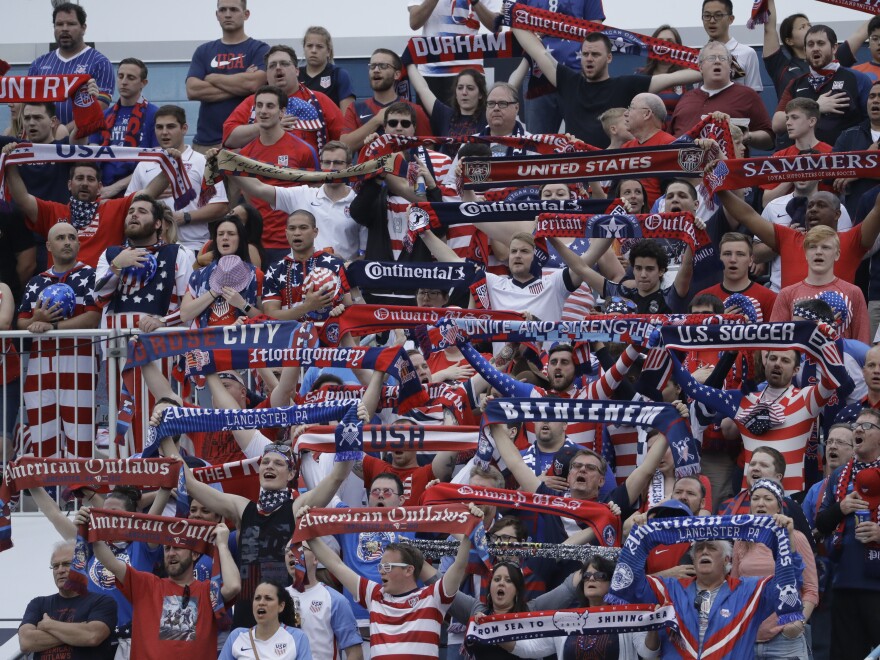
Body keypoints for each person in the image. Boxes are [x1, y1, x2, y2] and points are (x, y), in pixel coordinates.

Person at [306, 506, 481, 660]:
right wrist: (307, 530)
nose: (381, 570)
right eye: (381, 566)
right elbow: (335, 565)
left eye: (388, 566)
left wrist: (469, 527)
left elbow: (458, 566)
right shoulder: (374, 596)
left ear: (409, 570)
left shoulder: (432, 596)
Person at [78, 506, 240, 659]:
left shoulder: (207, 591)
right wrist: (90, 529)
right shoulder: (146, 584)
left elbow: (233, 586)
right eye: (167, 549)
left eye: (177, 548)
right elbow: (111, 563)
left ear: (195, 555)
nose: (171, 553)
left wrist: (222, 545)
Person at [512, 29, 701, 148]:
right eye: (585, 54)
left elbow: (671, 78)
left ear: (609, 58)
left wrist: (715, 68)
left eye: (595, 54)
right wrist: (514, 17)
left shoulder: (626, 85)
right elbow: (538, 51)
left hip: (614, 170)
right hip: (579, 170)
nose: (589, 58)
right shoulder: (569, 81)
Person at [637, 530, 801, 657]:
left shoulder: (749, 591)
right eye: (699, 549)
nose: (704, 552)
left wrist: (786, 543)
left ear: (727, 560)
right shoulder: (670, 589)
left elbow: (788, 584)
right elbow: (629, 584)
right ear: (693, 560)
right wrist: (638, 538)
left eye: (712, 548)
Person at [0, 150, 172, 269]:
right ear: (69, 184)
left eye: (90, 179)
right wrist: (10, 163)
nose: (84, 183)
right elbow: (22, 199)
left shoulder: (114, 208)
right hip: (59, 289)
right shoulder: (53, 211)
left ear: (99, 188)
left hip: (99, 290)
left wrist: (170, 165)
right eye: (79, 178)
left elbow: (149, 193)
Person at [16, 222, 100, 458]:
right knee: (43, 443)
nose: (67, 242)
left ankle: (81, 496)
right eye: (61, 238)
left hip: (79, 365)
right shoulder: (36, 282)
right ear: (49, 245)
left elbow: (93, 316)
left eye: (72, 237)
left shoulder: (91, 275)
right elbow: (21, 322)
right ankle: (49, 494)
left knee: (80, 442)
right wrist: (37, 318)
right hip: (40, 369)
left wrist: (51, 326)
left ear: (79, 243)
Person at [715, 184, 880, 292]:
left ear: (838, 214)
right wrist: (719, 187)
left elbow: (877, 209)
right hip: (794, 334)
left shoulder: (852, 241)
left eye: (821, 205)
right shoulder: (788, 237)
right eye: (810, 206)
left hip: (838, 336)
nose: (813, 210)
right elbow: (747, 215)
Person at [230, 85, 322, 263]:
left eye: (270, 106)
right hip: (256, 243)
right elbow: (243, 195)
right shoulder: (244, 155)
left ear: (282, 112)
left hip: (292, 242)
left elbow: (316, 195)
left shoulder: (303, 150)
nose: (263, 111)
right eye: (259, 105)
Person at [816, 408, 880, 659]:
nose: (858, 430)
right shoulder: (839, 476)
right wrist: (840, 508)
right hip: (844, 582)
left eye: (867, 426)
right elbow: (820, 524)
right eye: (856, 425)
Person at [231, 140, 364, 260]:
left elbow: (365, 255)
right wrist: (227, 164)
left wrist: (345, 263)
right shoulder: (303, 194)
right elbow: (258, 188)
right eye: (327, 162)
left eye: (338, 163)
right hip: (303, 279)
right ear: (321, 164)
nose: (331, 168)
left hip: (344, 280)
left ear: (349, 167)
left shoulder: (360, 203)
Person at [505, 557, 659, 659]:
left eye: (600, 575)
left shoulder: (628, 617)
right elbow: (529, 648)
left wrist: (653, 628)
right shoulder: (565, 619)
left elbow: (649, 653)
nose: (591, 578)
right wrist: (489, 632)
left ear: (613, 583)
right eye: (587, 576)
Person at [732, 478, 816, 657]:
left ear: (779, 506)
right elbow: (734, 587)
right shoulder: (741, 541)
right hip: (747, 638)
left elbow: (810, 590)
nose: (760, 503)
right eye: (755, 498)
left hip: (785, 640)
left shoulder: (796, 537)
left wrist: (796, 624)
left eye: (767, 499)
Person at [127, 105, 228, 254]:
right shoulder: (144, 163)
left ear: (184, 128)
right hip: (148, 248)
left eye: (171, 126)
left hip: (192, 246)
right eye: (159, 127)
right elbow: (126, 205)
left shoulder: (202, 162)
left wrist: (183, 217)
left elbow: (220, 206)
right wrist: (150, 194)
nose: (164, 132)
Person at [94, 193, 193, 333]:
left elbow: (190, 305)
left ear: (157, 223)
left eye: (142, 211)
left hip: (160, 347)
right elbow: (99, 299)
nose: (134, 215)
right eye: (131, 211)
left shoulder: (177, 254)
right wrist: (116, 267)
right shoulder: (110, 254)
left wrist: (163, 321)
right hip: (116, 347)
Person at [222, 44, 344, 155]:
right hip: (260, 176)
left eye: (284, 64)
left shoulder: (319, 100)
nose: (278, 68)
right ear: (267, 74)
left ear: (297, 71)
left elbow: (344, 142)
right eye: (272, 65)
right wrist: (269, 126)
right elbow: (229, 139)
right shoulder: (253, 102)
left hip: (308, 175)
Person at [186, 0, 269, 153]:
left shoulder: (259, 49)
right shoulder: (203, 51)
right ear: (217, 15)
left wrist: (212, 78)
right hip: (206, 143)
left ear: (246, 14)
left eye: (234, 9)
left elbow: (254, 84)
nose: (228, 14)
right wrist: (241, 82)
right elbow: (193, 90)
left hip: (246, 142)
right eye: (223, 10)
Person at [773, 24, 871, 146]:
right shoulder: (796, 83)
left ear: (834, 48)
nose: (815, 48)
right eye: (810, 44)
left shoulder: (857, 78)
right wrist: (816, 107)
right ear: (805, 50)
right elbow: (777, 125)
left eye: (821, 43)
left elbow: (873, 119)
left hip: (845, 159)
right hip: (805, 159)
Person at [770, 225, 870, 343]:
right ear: (806, 254)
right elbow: (775, 341)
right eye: (813, 247)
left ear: (837, 254)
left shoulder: (853, 292)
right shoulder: (786, 294)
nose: (818, 252)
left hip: (841, 359)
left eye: (825, 247)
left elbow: (863, 342)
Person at [18, 541, 117, 660]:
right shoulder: (38, 603)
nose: (60, 570)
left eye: (66, 564)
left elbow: (92, 636)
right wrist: (78, 631)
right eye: (55, 566)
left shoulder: (102, 602)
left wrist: (49, 625)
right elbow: (26, 642)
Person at [669, 41, 773, 149]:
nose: (717, 61)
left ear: (730, 66)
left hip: (725, 165)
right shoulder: (686, 98)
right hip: (683, 163)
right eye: (711, 58)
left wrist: (747, 136)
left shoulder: (747, 95)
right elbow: (671, 137)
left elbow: (769, 140)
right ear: (700, 67)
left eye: (722, 58)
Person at [27, 3, 113, 131]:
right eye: (59, 24)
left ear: (83, 28)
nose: (64, 29)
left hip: (85, 142)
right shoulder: (38, 64)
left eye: (71, 24)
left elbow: (102, 105)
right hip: (44, 142)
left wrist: (65, 131)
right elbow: (28, 104)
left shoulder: (100, 62)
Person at [261, 209, 350, 321]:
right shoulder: (275, 270)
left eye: (303, 228)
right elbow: (270, 316)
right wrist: (307, 307)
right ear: (286, 233)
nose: (297, 233)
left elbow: (349, 307)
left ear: (315, 232)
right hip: (291, 337)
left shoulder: (334, 264)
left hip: (328, 334)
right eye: (292, 228)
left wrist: (341, 309)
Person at [407, 0, 500, 102]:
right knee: (432, 117)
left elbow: (497, 26)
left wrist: (475, 2)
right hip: (432, 70)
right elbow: (414, 22)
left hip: (469, 68)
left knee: (470, 117)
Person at [340, 48, 432, 152]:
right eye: (372, 66)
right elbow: (344, 147)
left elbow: (428, 148)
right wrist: (376, 121)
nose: (376, 70)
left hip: (405, 167)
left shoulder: (414, 109)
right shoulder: (355, 108)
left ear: (397, 74)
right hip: (368, 167)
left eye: (383, 66)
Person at [179, 215, 262, 328]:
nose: (225, 238)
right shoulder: (198, 275)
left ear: (240, 239)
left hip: (240, 341)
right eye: (220, 234)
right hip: (205, 342)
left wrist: (243, 305)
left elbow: (265, 317)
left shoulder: (256, 275)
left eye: (231, 234)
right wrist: (214, 292)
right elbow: (184, 315)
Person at [91, 58, 159, 196]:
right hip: (102, 188)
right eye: (120, 76)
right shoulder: (103, 115)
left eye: (131, 77)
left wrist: (116, 187)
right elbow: (91, 154)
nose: (124, 82)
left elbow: (155, 162)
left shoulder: (154, 114)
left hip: (137, 191)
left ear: (143, 83)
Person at [284, 543, 363, 660]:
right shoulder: (276, 598)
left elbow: (355, 653)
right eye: (287, 550)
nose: (290, 553)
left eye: (299, 548)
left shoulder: (335, 599)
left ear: (316, 558)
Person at [694, 231, 778, 322]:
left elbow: (776, 335)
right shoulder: (702, 298)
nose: (733, 260)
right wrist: (718, 323)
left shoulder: (769, 298)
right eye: (727, 254)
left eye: (740, 254)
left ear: (751, 260)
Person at [406, 65, 488, 154]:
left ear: (480, 94)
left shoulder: (488, 117)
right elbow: (422, 89)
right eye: (460, 88)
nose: (464, 92)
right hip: (447, 167)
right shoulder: (445, 115)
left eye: (470, 88)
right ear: (456, 93)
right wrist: (408, 63)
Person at [220, 582, 312, 660]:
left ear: (281, 606)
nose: (261, 603)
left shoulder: (298, 637)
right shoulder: (236, 636)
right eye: (257, 598)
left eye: (268, 598)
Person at [833, 79, 880, 218]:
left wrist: (858, 171)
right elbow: (832, 174)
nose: (875, 101)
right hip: (857, 217)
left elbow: (847, 174)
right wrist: (868, 160)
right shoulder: (849, 135)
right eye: (872, 96)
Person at [619, 93, 675, 205]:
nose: (626, 113)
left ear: (647, 114)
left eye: (631, 108)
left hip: (656, 218)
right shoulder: (625, 148)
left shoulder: (670, 145)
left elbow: (672, 192)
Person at [700, 0, 763, 91]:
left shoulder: (747, 53)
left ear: (731, 19)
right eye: (707, 16)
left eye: (718, 15)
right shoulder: (699, 55)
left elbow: (753, 94)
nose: (712, 20)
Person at [299, 26, 356, 112]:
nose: (313, 50)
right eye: (309, 46)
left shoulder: (338, 75)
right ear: (304, 48)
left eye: (319, 46)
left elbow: (348, 119)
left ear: (328, 51)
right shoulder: (295, 75)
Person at [638, 25, 687, 124]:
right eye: (659, 41)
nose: (664, 45)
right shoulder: (640, 75)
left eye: (670, 41)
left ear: (678, 47)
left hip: (677, 135)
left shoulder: (687, 76)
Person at [762, 0, 810, 95]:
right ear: (789, 41)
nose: (810, 29)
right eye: (802, 27)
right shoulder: (780, 66)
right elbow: (769, 29)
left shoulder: (826, 61)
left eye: (810, 25)